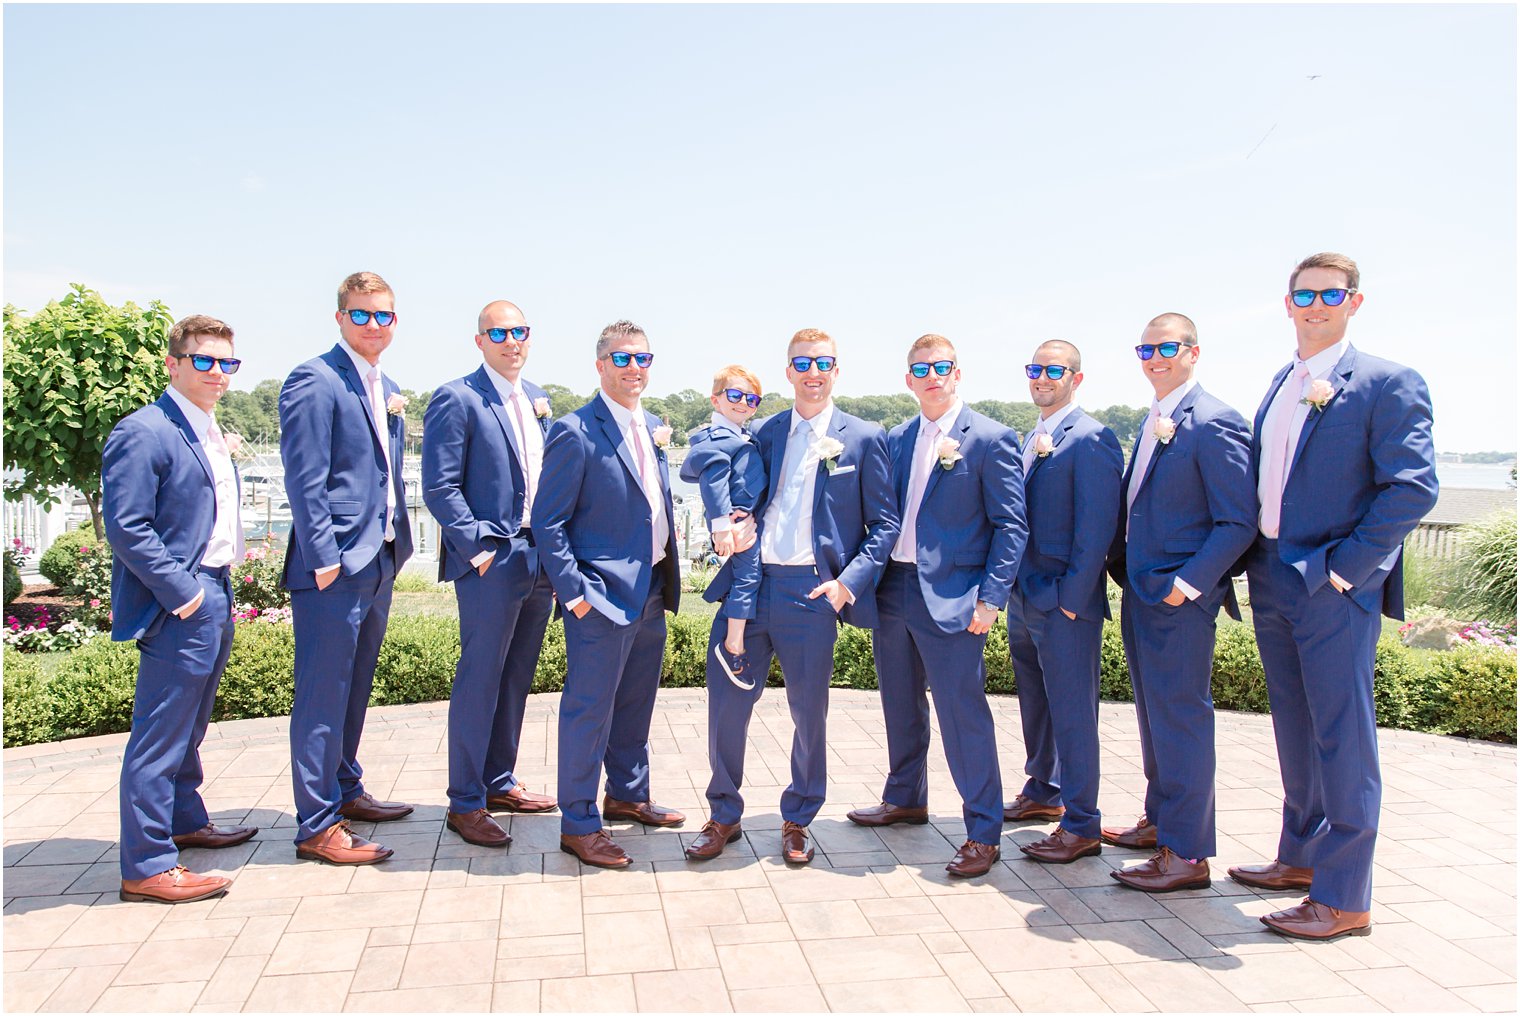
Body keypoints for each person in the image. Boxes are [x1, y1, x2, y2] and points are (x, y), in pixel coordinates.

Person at [1235, 253, 1437, 940]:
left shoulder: (1387, 382)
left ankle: (1346, 896)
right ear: (1286, 303)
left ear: (1355, 302)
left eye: (1329, 293)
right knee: (1295, 728)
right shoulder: (1280, 382)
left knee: (1342, 736)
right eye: (1303, 293)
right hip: (1271, 576)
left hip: (1331, 584)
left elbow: (1412, 487)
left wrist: (1345, 570)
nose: (1314, 304)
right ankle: (1299, 860)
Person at [689, 328, 898, 865]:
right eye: (802, 362)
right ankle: (723, 814)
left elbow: (885, 525)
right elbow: (721, 469)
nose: (812, 371)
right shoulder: (764, 430)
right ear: (788, 371)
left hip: (813, 592)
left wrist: (845, 584)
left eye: (822, 362)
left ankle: (799, 817)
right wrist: (724, 523)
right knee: (726, 706)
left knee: (810, 712)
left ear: (835, 369)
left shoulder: (864, 437)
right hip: (751, 585)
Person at [847, 335, 1027, 878]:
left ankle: (983, 832)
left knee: (962, 713)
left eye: (941, 366)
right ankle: (905, 797)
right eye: (921, 368)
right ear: (908, 379)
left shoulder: (992, 439)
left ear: (957, 372)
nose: (932, 376)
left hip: (954, 597)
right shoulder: (895, 438)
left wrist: (991, 599)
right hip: (894, 589)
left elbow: (1011, 527)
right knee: (899, 702)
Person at [104, 314, 256, 903]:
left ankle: (185, 820)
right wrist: (185, 592)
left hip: (216, 587)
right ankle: (146, 865)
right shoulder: (146, 430)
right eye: (204, 361)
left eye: (227, 363)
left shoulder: (206, 427)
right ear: (173, 364)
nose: (217, 373)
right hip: (183, 599)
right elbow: (127, 525)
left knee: (191, 725)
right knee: (160, 734)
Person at [1103, 314, 1255, 892]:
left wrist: (1186, 585)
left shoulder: (1213, 421)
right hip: (1142, 593)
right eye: (1146, 348)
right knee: (1154, 717)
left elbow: (1237, 520)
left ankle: (1187, 853)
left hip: (1179, 600)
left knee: (1182, 719)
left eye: (1167, 347)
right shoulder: (1155, 420)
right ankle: (1162, 822)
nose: (1155, 357)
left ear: (1194, 352)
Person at [534, 320, 691, 869]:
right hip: (600, 597)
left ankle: (627, 791)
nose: (633, 368)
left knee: (635, 704)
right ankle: (578, 823)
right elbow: (547, 522)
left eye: (642, 359)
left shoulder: (650, 426)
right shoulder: (576, 431)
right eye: (622, 359)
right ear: (600, 365)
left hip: (651, 588)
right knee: (588, 710)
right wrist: (576, 594)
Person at [280, 271, 415, 865]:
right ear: (340, 318)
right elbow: (305, 480)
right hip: (335, 566)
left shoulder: (380, 382)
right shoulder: (315, 378)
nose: (374, 325)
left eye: (384, 316)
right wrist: (325, 560)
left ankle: (346, 788)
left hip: (378, 557)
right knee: (322, 694)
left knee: (354, 689)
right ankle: (316, 824)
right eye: (362, 315)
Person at [422, 300, 559, 849]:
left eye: (519, 331)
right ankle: (465, 801)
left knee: (517, 676)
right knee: (480, 678)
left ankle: (499, 780)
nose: (511, 341)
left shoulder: (534, 398)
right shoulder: (457, 398)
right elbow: (439, 485)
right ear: (479, 340)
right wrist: (478, 549)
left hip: (537, 557)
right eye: (498, 332)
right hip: (491, 560)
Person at [1004, 340, 1123, 864]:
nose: (1042, 377)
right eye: (1036, 369)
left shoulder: (1092, 437)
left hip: (1063, 603)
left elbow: (1097, 528)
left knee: (1073, 713)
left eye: (1054, 369)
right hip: (1023, 597)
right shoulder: (1033, 436)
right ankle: (1043, 790)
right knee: (1037, 705)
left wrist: (1072, 601)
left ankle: (1082, 823)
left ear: (1077, 376)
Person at [679, 365, 768, 688]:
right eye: (735, 395)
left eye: (752, 398)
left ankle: (720, 597)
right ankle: (733, 645)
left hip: (742, 518)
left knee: (746, 574)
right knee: (749, 576)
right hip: (733, 520)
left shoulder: (740, 434)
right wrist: (720, 526)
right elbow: (714, 480)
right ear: (716, 400)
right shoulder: (718, 438)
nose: (743, 402)